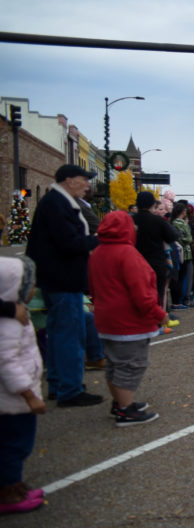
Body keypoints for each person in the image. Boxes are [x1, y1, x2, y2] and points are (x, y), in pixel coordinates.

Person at [25, 164, 101, 407]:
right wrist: (98, 240)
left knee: (58, 334)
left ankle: (59, 384)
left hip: (55, 279)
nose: (88, 184)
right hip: (62, 279)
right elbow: (69, 243)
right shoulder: (58, 204)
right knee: (70, 335)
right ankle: (70, 389)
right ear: (69, 180)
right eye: (84, 179)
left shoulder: (54, 202)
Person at [87, 211, 168, 426]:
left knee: (114, 364)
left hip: (107, 319)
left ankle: (120, 402)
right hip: (129, 323)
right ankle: (125, 410)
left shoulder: (97, 253)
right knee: (130, 365)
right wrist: (160, 315)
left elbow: (93, 288)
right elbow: (142, 294)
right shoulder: (128, 254)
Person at [0, 257, 47, 514]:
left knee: (18, 443)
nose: (33, 291)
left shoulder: (13, 314)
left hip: (17, 396)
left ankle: (14, 485)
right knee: (14, 445)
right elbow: (6, 361)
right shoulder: (8, 322)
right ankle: (8, 492)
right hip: (13, 400)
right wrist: (28, 395)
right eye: (29, 286)